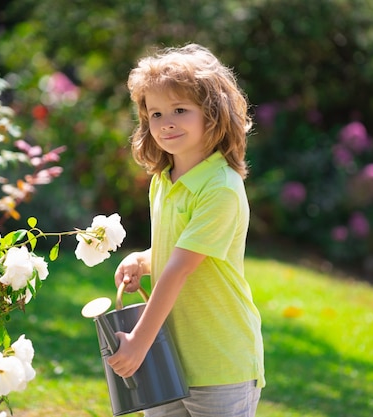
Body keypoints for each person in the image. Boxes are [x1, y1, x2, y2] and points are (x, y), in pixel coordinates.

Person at [107, 43, 265, 417]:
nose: (166, 123)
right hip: (168, 355)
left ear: (213, 114)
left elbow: (181, 267)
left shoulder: (221, 187)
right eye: (156, 113)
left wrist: (138, 343)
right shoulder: (163, 180)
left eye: (180, 110)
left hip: (219, 362)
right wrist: (142, 260)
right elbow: (173, 250)